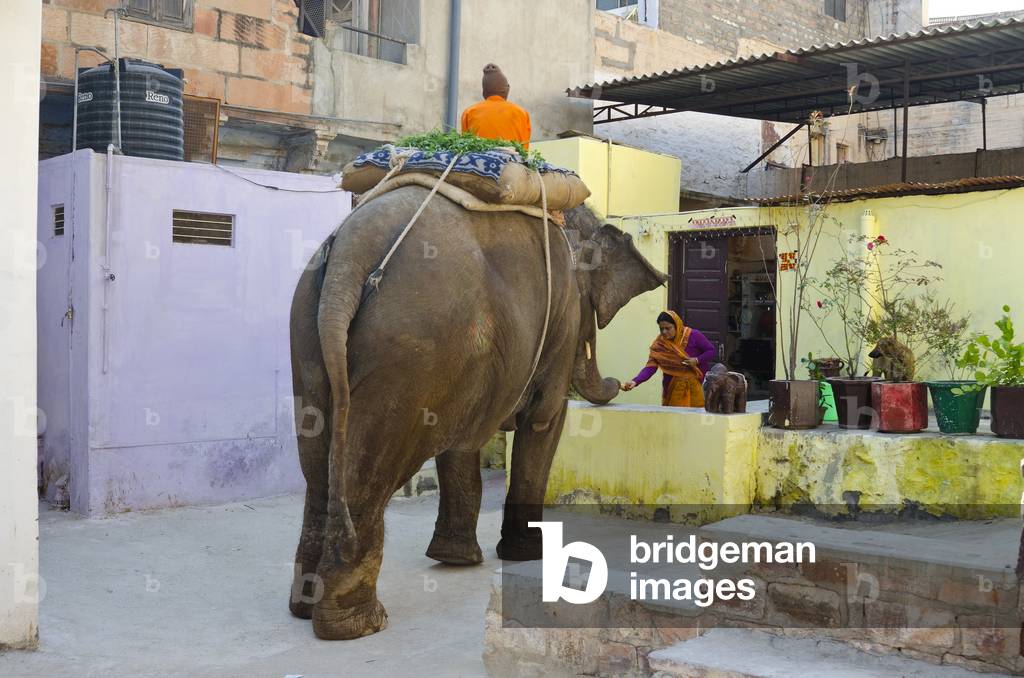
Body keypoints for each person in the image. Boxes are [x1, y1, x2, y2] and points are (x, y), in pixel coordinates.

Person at [621, 310, 716, 408]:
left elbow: (711, 351)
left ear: (677, 325)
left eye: (668, 328)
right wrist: (635, 381)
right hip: (671, 388)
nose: (664, 332)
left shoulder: (693, 335)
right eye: (661, 329)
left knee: (697, 418)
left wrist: (697, 360)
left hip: (696, 386)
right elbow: (651, 367)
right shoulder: (659, 345)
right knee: (674, 419)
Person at [460, 64, 531, 149]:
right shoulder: (521, 113)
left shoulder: (469, 112)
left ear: (484, 91)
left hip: (480, 161)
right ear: (506, 90)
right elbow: (524, 149)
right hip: (513, 161)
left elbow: (466, 146)